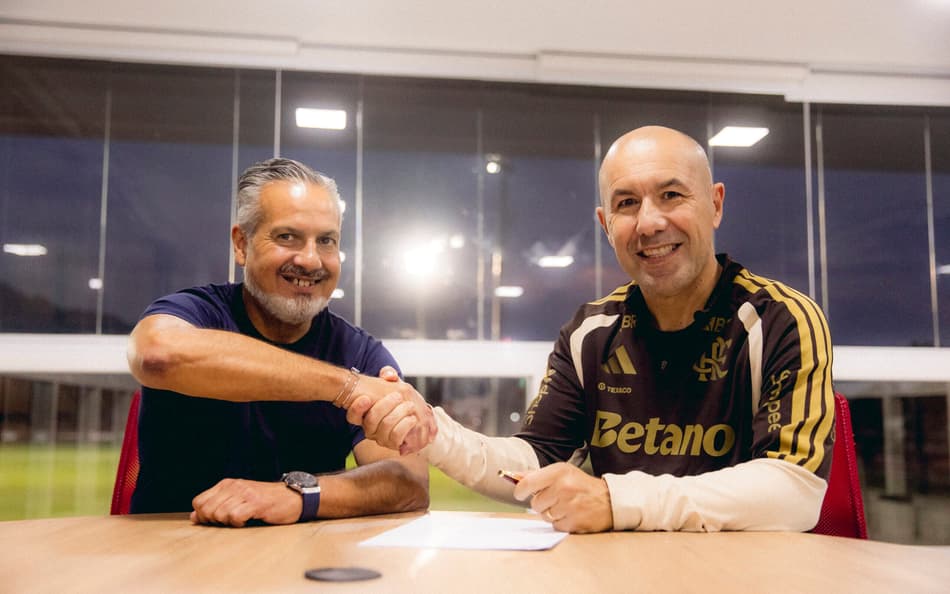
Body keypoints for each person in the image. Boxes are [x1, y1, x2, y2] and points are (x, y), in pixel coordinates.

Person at [351, 125, 835, 534]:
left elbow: (793, 491)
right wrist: (433, 431)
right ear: (606, 224)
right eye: (626, 204)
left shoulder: (781, 319)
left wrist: (615, 501)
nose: (648, 222)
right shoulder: (591, 332)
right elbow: (533, 463)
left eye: (671, 195)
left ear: (715, 205)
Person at [126, 157, 435, 527]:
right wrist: (346, 387)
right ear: (242, 245)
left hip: (298, 567)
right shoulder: (196, 311)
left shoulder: (361, 352)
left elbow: (408, 481)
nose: (309, 260)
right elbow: (157, 355)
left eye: (326, 241)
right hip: (174, 560)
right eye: (287, 237)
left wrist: (300, 495)